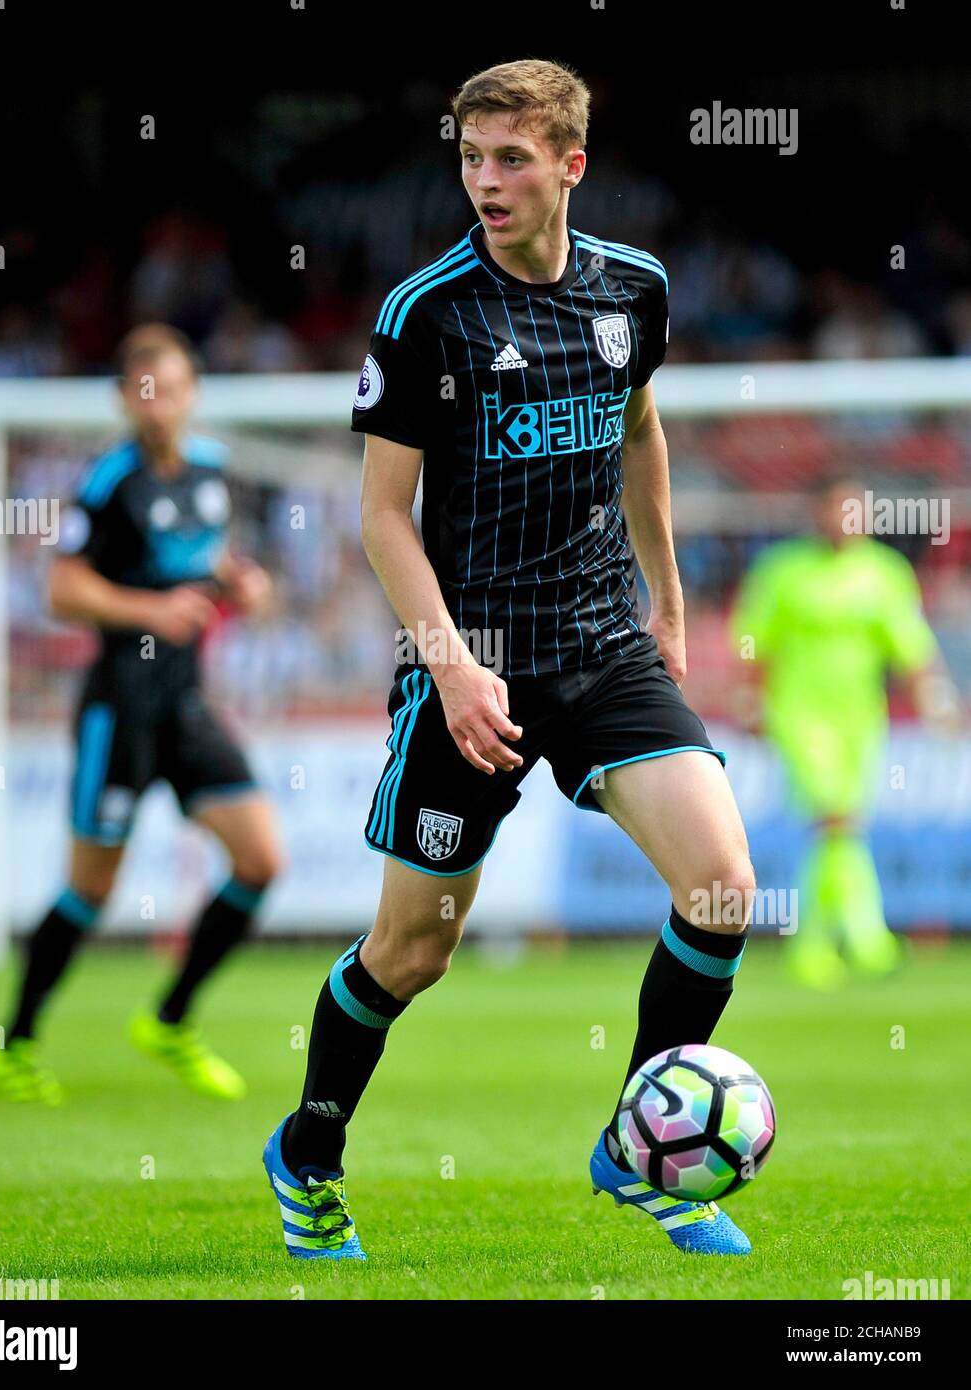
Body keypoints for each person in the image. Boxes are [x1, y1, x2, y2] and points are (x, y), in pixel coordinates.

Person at [262, 58, 756, 1260]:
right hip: (468, 657)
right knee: (412, 950)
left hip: (596, 640)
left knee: (722, 887)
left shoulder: (633, 289)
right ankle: (308, 1152)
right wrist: (451, 666)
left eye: (511, 158)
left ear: (570, 166)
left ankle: (640, 1150)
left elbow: (640, 428)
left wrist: (668, 597)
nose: (484, 180)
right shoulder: (425, 312)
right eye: (471, 157)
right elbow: (384, 515)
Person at [0, 325, 285, 1103]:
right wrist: (150, 609)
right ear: (126, 398)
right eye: (146, 390)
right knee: (90, 889)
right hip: (119, 711)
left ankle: (171, 1018)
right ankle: (15, 1042)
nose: (162, 404)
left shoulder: (211, 473)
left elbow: (210, 562)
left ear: (192, 393)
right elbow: (61, 589)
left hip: (186, 706)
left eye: (175, 387)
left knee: (259, 861)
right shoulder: (108, 483)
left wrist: (241, 584)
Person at [731, 473, 961, 989]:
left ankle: (815, 946)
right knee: (836, 820)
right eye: (835, 510)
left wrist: (935, 697)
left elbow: (911, 647)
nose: (844, 521)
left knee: (840, 829)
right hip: (799, 715)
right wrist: (747, 698)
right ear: (818, 514)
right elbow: (756, 641)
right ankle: (866, 939)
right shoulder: (783, 572)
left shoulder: (884, 573)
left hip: (860, 718)